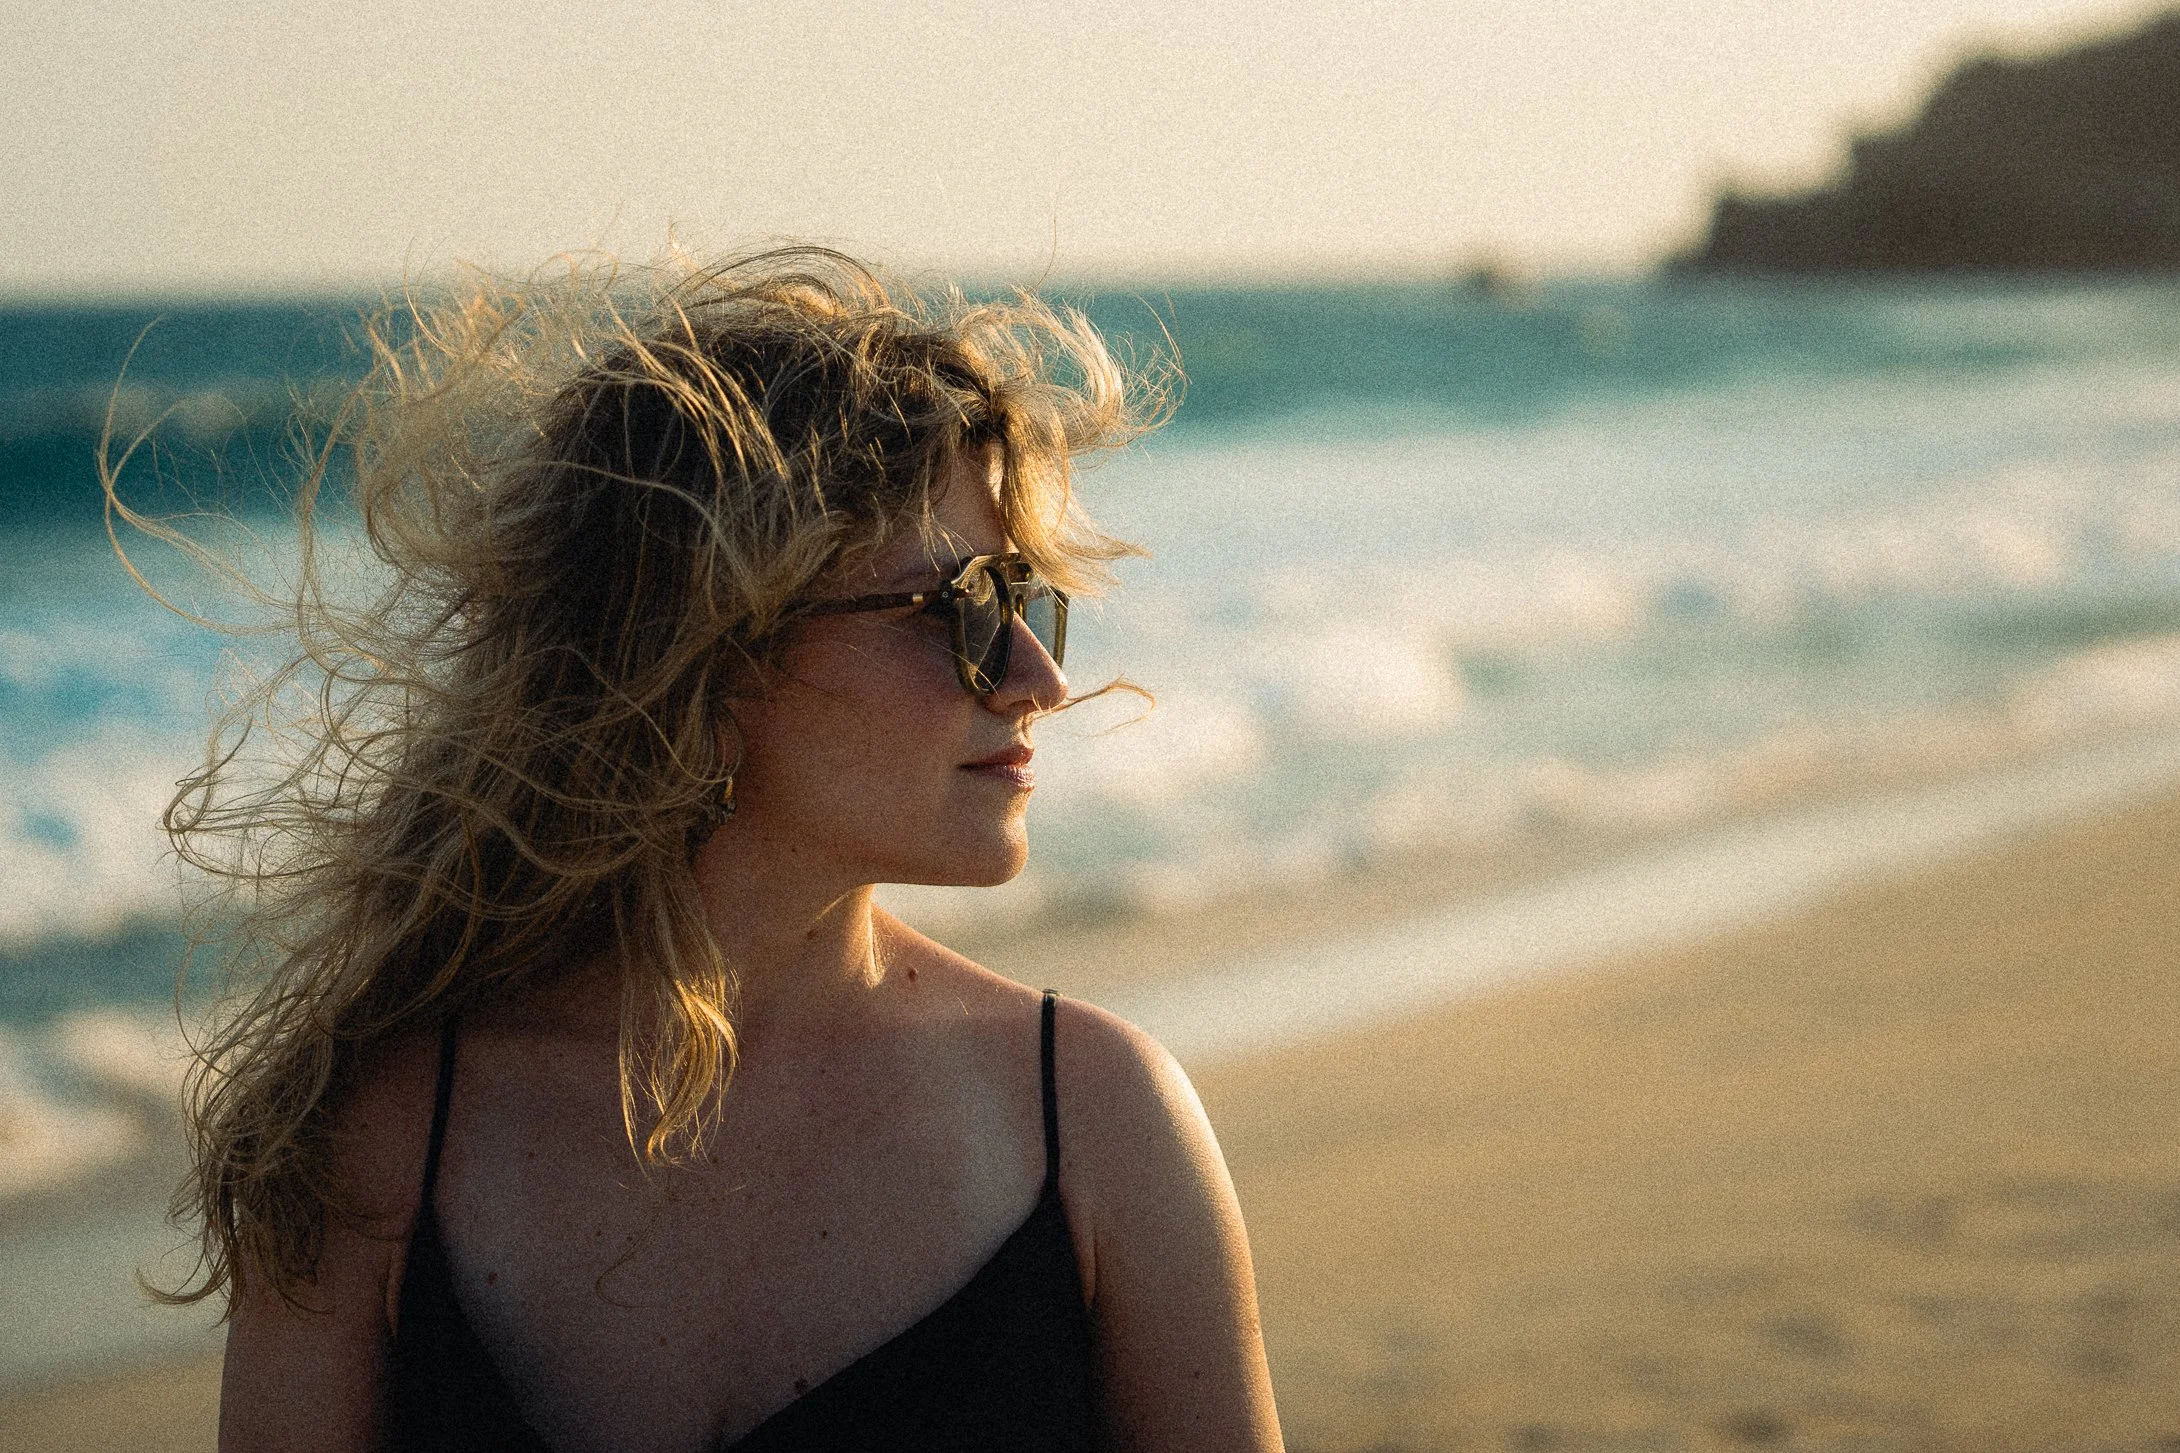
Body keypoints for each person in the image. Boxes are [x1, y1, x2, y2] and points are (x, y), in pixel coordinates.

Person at [131, 248, 1283, 1450]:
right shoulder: (379, 1141)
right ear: (711, 656)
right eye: (960, 611)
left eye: (1026, 597)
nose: (1040, 678)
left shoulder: (1095, 1121)